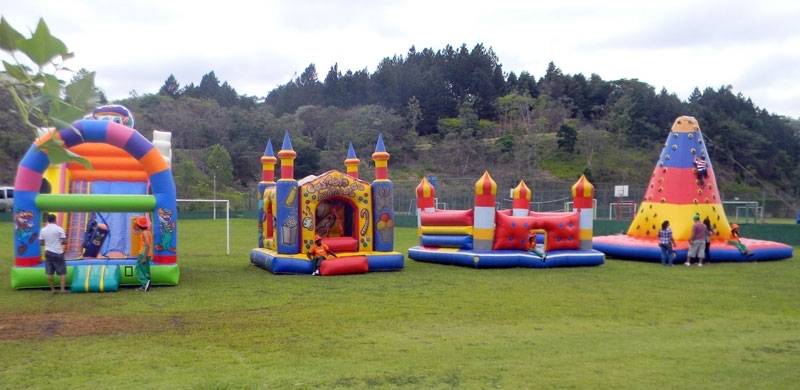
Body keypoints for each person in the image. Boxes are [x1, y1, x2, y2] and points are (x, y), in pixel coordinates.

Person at [40, 213, 67, 293]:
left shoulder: (43, 230)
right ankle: (62, 289)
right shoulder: (59, 229)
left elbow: (41, 243)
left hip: (48, 252)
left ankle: (52, 289)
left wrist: (49, 242)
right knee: (62, 272)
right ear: (55, 220)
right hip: (58, 252)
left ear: (48, 220)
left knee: (49, 272)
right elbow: (64, 241)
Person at [133, 216, 153, 291]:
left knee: (138, 269)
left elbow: (147, 244)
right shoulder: (148, 232)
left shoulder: (144, 233)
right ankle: (147, 284)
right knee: (145, 270)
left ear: (139, 225)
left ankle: (145, 283)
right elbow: (135, 232)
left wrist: (144, 257)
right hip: (148, 254)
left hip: (143, 254)